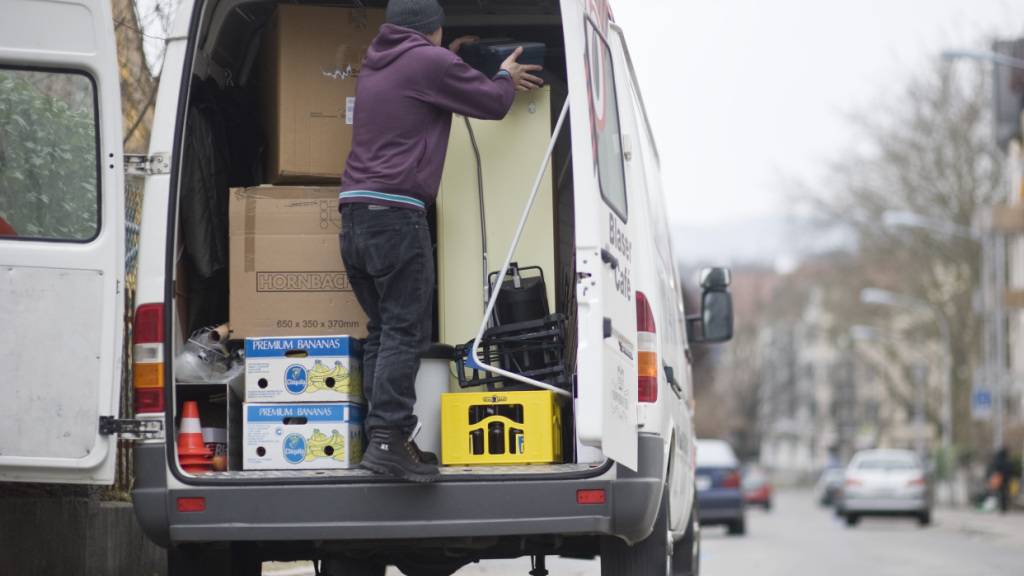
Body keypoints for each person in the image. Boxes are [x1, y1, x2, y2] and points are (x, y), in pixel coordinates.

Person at [338, 0, 543, 483]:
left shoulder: (378, 63)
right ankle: (389, 441)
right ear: (432, 29)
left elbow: (426, 76)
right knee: (404, 331)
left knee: (384, 331)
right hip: (396, 218)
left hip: (355, 219)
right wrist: (505, 75)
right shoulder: (429, 63)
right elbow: (493, 104)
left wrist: (449, 54)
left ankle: (380, 440)